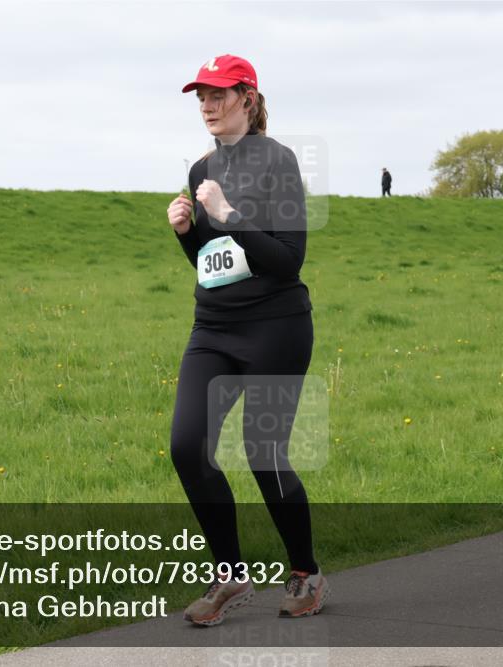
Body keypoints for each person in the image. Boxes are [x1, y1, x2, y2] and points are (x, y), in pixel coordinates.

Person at [165, 53, 330, 627]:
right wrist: (188, 234)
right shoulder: (200, 168)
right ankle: (230, 575)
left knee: (263, 453)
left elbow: (286, 261)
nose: (207, 105)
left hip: (276, 326)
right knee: (188, 447)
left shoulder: (277, 161)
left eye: (218, 94)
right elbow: (214, 265)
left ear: (248, 99)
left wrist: (229, 213)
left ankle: (305, 574)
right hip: (213, 328)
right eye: (200, 96)